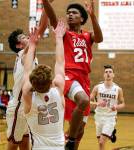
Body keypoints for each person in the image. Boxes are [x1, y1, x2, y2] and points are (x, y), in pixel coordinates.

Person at [41, 0, 103, 149]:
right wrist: (45, 2)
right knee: (83, 100)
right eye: (68, 13)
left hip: (84, 79)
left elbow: (100, 38)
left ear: (82, 19)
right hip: (68, 76)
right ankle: (70, 140)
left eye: (74, 13)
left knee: (80, 130)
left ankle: (72, 140)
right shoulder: (64, 33)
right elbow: (52, 17)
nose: (70, 15)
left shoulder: (88, 36)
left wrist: (93, 16)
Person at [6, 10, 49, 150]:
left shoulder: (30, 55)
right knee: (13, 144)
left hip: (27, 107)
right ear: (19, 45)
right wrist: (47, 7)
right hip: (18, 107)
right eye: (24, 37)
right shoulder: (23, 54)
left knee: (25, 143)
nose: (28, 37)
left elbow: (40, 33)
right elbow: (41, 30)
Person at [22, 20, 65, 150]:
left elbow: (27, 70)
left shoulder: (28, 97)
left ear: (32, 83)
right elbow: (60, 62)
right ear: (51, 82)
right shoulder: (58, 90)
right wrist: (59, 38)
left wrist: (32, 44)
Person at [90, 65, 125, 150]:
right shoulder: (97, 87)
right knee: (100, 143)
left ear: (113, 75)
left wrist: (116, 106)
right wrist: (97, 103)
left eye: (110, 72)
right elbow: (89, 102)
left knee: (102, 142)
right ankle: (111, 134)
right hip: (98, 116)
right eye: (106, 72)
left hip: (110, 117)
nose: (108, 74)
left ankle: (110, 132)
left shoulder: (118, 89)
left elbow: (123, 103)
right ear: (104, 75)